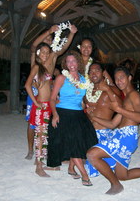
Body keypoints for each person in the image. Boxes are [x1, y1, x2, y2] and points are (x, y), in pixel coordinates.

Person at [87, 66, 140, 195]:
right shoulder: (126, 98)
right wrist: (93, 117)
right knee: (123, 175)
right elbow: (112, 124)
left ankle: (116, 185)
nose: (119, 81)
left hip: (127, 137)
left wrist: (119, 109)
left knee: (92, 154)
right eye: (116, 79)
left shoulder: (134, 95)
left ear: (129, 78)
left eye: (122, 77)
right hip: (120, 135)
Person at [25, 24, 77, 160]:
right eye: (46, 39)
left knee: (47, 127)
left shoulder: (52, 57)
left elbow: (63, 48)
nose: (48, 41)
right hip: (36, 96)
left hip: (47, 98)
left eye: (50, 39)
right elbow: (33, 46)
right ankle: (32, 151)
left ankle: (46, 155)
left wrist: (71, 34)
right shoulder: (35, 58)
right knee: (33, 125)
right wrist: (49, 31)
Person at [47, 51, 98, 186]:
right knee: (74, 143)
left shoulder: (84, 80)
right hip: (63, 114)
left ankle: (71, 168)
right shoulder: (61, 78)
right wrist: (55, 114)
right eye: (68, 61)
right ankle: (85, 175)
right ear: (65, 64)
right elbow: (52, 99)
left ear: (78, 63)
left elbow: (82, 99)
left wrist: (87, 107)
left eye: (73, 61)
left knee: (84, 141)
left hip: (79, 115)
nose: (71, 64)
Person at [84, 62, 122, 177]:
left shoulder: (111, 89)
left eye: (97, 70)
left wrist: (107, 89)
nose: (93, 73)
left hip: (104, 133)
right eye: (91, 71)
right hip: (89, 132)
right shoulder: (86, 91)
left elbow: (120, 107)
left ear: (103, 73)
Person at [24, 43, 54, 177]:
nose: (46, 55)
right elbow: (27, 85)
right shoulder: (36, 67)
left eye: (48, 52)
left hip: (47, 105)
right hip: (40, 105)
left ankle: (39, 162)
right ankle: (39, 168)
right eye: (43, 52)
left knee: (44, 135)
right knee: (40, 135)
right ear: (38, 53)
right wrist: (35, 101)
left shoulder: (45, 68)